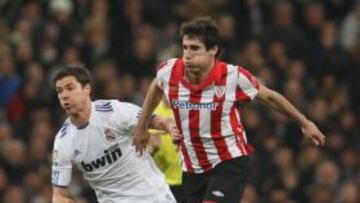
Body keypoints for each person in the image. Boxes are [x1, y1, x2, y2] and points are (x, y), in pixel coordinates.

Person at [133, 16, 326, 203]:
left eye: (194, 49)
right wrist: (142, 126)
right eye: (185, 48)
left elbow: (269, 97)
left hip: (228, 161)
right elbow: (156, 86)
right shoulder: (170, 71)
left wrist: (305, 122)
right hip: (192, 167)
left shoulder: (232, 77)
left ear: (213, 50)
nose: (187, 55)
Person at [51, 66, 177, 203]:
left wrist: (171, 129)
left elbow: (156, 120)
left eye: (70, 88)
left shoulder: (113, 112)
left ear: (87, 89)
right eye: (60, 91)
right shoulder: (62, 141)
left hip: (153, 197)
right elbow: (59, 196)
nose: (64, 95)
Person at [148, 98, 184, 203]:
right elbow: (142, 153)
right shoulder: (153, 114)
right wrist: (152, 150)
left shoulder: (187, 108)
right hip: (166, 184)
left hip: (191, 178)